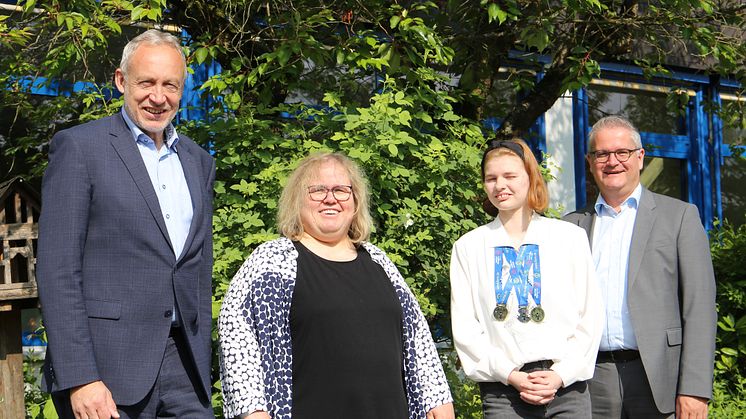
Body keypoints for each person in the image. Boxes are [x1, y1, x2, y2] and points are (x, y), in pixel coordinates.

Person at [37, 29, 215, 418]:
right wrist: (80, 377)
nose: (158, 96)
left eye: (170, 84)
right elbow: (57, 271)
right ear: (121, 81)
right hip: (107, 369)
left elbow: (197, 270)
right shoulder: (81, 149)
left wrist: (203, 359)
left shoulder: (198, 161)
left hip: (185, 366)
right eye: (146, 82)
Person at [218, 152, 454, 419]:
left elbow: (417, 336)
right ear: (298, 200)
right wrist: (253, 411)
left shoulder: (378, 260)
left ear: (355, 201)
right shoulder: (273, 261)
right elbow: (237, 335)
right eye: (318, 190)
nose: (330, 198)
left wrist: (436, 397)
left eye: (341, 190)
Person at [563, 115, 717, 418]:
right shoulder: (572, 226)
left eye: (622, 152)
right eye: (602, 154)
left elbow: (699, 307)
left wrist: (695, 388)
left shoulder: (680, 217)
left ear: (640, 157)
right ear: (590, 161)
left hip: (658, 375)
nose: (613, 162)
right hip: (591, 378)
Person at [450, 138, 603, 418]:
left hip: (566, 390)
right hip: (503, 392)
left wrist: (560, 374)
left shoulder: (568, 238)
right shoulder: (469, 247)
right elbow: (466, 329)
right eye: (491, 178)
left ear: (530, 178)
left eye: (510, 176)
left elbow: (590, 316)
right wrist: (510, 374)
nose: (500, 185)